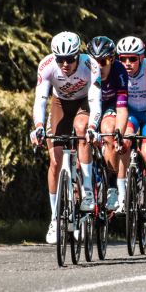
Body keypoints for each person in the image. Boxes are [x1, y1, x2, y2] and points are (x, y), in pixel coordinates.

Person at [30, 32, 102, 244]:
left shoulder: (91, 65)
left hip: (83, 103)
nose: (65, 64)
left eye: (70, 59)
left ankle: (87, 190)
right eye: (60, 59)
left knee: (82, 128)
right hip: (59, 104)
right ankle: (54, 219)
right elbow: (40, 100)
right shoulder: (47, 65)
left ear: (78, 55)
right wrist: (39, 127)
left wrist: (92, 126)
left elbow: (96, 101)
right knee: (55, 161)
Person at [116, 36, 146, 225]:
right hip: (130, 115)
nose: (127, 63)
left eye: (132, 58)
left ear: (141, 57)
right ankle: (122, 197)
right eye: (123, 58)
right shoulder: (117, 70)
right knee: (123, 144)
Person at [87, 37, 130, 214]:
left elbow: (122, 110)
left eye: (103, 62)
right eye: (94, 62)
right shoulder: (84, 69)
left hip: (110, 105)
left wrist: (119, 135)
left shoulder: (119, 71)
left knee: (110, 131)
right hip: (89, 104)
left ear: (112, 59)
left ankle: (112, 186)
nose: (99, 67)